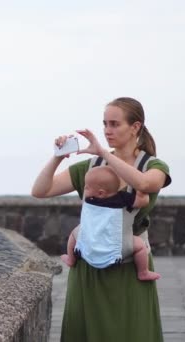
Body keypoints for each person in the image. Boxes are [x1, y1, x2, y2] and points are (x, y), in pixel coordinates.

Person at [31, 97, 171, 342]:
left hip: (129, 269)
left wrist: (105, 152)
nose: (107, 130)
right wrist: (57, 156)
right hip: (89, 266)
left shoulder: (153, 165)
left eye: (115, 124)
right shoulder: (92, 167)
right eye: (105, 123)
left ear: (135, 127)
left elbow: (144, 183)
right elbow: (40, 191)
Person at [60, 166, 161, 281]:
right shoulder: (121, 198)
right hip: (114, 247)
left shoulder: (90, 200)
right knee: (141, 246)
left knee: (74, 234)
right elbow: (140, 202)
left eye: (87, 187)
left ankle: (71, 259)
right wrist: (138, 186)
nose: (85, 190)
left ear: (101, 193)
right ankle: (143, 272)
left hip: (89, 242)